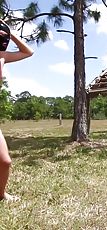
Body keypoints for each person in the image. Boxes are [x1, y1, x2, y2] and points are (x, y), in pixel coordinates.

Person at [0, 20, 34, 201]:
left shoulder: (2, 56)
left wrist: (10, 32)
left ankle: (1, 194)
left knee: (5, 162)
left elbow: (28, 52)